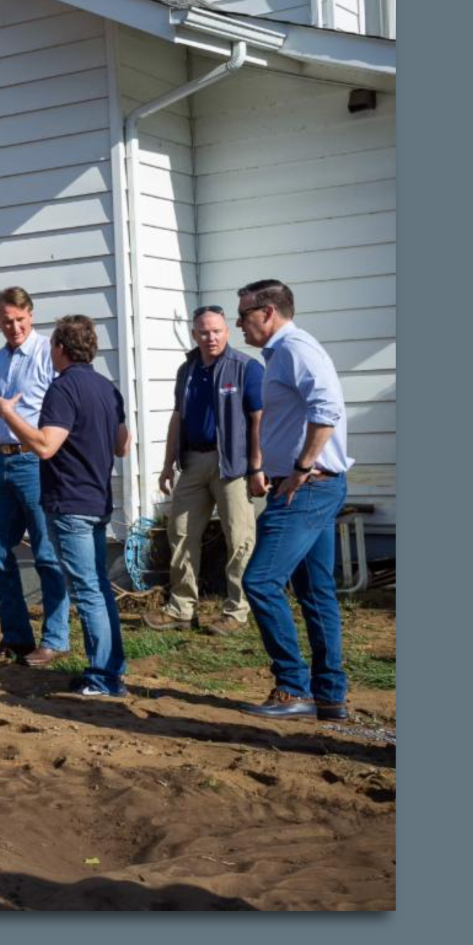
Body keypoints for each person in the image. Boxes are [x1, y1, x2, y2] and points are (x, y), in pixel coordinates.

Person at [0, 315, 132, 697]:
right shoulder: (106, 388)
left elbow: (45, 446)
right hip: (98, 500)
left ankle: (103, 677)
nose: (50, 353)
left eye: (52, 346)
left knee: (88, 592)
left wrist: (9, 414)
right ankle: (112, 669)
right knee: (98, 587)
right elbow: (123, 445)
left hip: (71, 502)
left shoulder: (62, 389)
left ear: (61, 349)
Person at [231, 280, 354, 721]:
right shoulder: (284, 353)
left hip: (306, 487)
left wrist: (300, 469)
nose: (238, 323)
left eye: (243, 314)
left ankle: (292, 687)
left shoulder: (295, 350)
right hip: (312, 484)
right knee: (315, 593)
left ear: (267, 313)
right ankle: (329, 697)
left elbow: (328, 409)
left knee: (261, 582)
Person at [147, 306, 266, 636]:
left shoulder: (246, 368)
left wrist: (257, 467)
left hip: (233, 465)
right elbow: (177, 418)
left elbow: (258, 419)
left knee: (238, 536)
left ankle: (237, 612)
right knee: (181, 531)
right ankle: (181, 608)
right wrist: (167, 463)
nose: (210, 337)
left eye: (216, 331)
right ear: (194, 334)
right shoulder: (187, 370)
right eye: (203, 332)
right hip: (193, 462)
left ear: (226, 331)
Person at [0, 287, 71, 668]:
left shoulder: (49, 353)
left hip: (37, 463)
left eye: (20, 320)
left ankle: (55, 639)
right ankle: (16, 638)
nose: (14, 327)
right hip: (4, 465)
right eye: (6, 321)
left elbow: (63, 410)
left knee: (47, 555)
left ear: (31, 315)